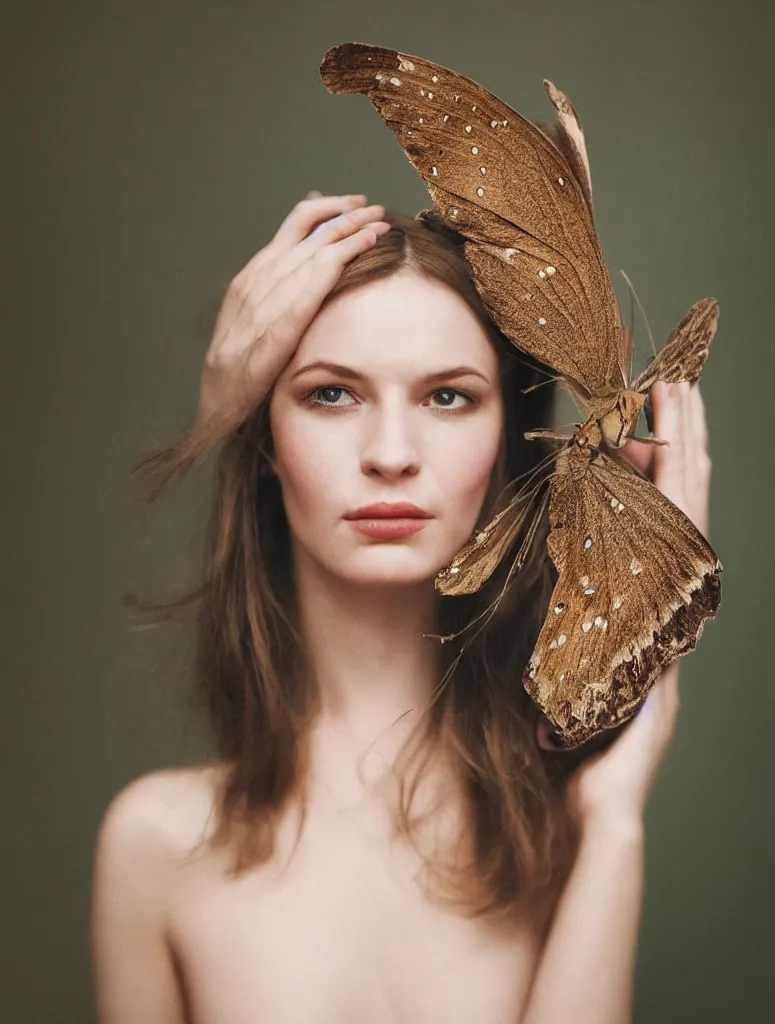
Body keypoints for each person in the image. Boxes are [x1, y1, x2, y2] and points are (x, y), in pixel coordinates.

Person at [90, 191, 712, 1023]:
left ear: (509, 440)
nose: (390, 455)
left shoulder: (564, 830)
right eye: (331, 395)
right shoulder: (154, 845)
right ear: (266, 444)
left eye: (448, 397)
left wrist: (613, 820)